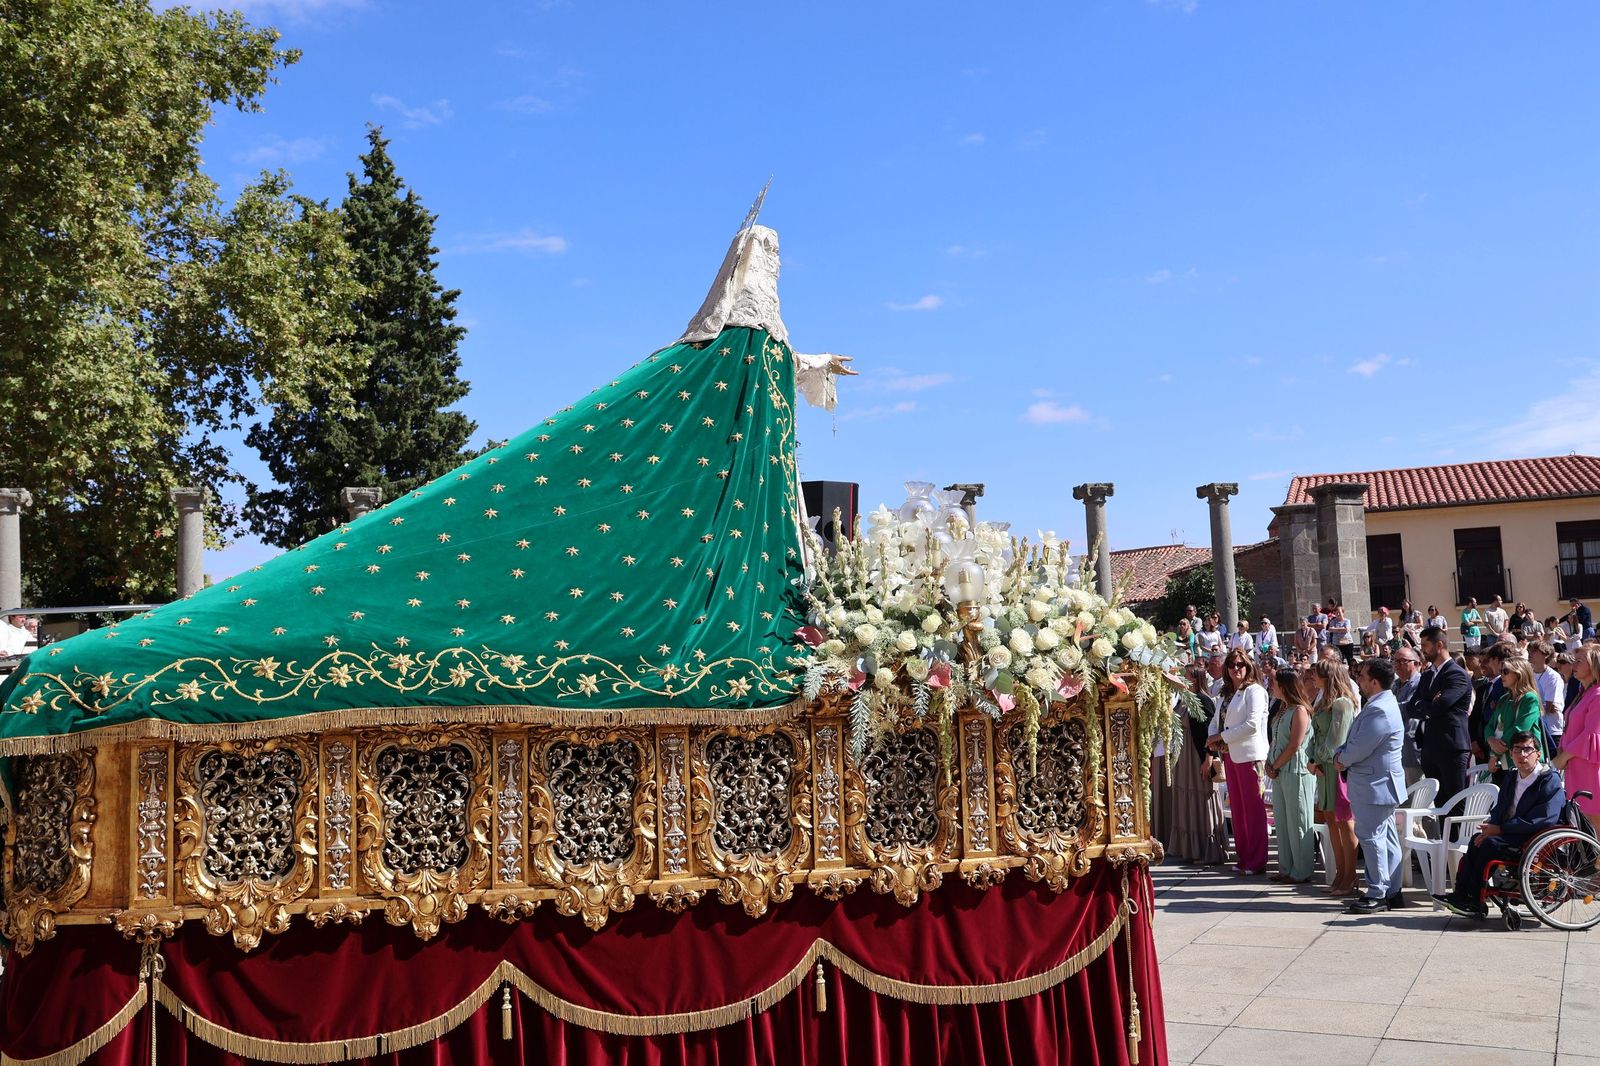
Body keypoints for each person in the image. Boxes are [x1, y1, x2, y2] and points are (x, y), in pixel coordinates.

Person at [1433, 731, 1564, 919]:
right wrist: (1491, 827)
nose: (1522, 755)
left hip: (1534, 835)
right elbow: (1500, 808)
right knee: (1477, 840)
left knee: (1490, 845)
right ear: (1511, 754)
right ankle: (1461, 894)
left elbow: (1545, 818)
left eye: (1527, 749)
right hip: (1510, 831)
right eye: (1517, 750)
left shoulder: (1548, 780)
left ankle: (1475, 899)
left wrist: (1501, 829)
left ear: (1538, 752)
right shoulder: (1511, 777)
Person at [1337, 657, 1408, 913]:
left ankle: (1377, 893)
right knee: (1386, 839)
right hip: (1376, 783)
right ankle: (1393, 891)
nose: (1359, 680)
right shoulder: (1381, 704)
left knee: (1371, 838)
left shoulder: (1380, 708)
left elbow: (1359, 747)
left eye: (1363, 677)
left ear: (1375, 682)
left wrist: (1340, 759)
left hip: (1374, 785)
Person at [1206, 649, 1270, 876]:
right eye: (1232, 665)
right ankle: (1244, 858)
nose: (1236, 668)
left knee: (1253, 810)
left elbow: (1252, 725)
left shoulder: (1254, 691)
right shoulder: (1226, 693)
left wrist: (1221, 737)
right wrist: (1213, 736)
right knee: (1239, 810)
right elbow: (1216, 721)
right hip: (1231, 755)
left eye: (1240, 664)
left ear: (1249, 666)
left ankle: (1257, 859)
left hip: (1250, 756)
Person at [1162, 665, 1228, 864]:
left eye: (1188, 677)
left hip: (1196, 756)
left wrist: (1208, 757)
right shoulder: (1185, 699)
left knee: (1201, 798)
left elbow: (1209, 731)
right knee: (1186, 798)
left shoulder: (1204, 700)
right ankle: (1189, 848)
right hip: (1184, 757)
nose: (1185, 680)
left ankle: (1205, 849)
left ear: (1198, 679)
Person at [1308, 659, 1360, 895]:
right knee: (1331, 820)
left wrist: (1316, 758)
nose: (1312, 677)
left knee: (1344, 822)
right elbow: (1315, 736)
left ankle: (1350, 876)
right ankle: (1340, 873)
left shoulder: (1342, 704)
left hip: (1336, 769)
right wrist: (1312, 759)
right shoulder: (1323, 701)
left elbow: (1336, 742)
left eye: (1317, 674)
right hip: (1323, 769)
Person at [1265, 668, 1317, 884]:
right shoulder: (1282, 709)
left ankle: (1302, 870)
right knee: (1283, 822)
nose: (1272, 686)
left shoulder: (1300, 711)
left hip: (1296, 771)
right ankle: (1285, 867)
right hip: (1279, 771)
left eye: (1275, 682)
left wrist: (1275, 765)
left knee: (1299, 821)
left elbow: (1295, 744)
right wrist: (1270, 764)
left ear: (1285, 685)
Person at [1411, 625, 1474, 802]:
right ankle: (1443, 832)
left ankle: (1460, 832)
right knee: (1439, 802)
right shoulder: (1427, 675)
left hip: (1451, 747)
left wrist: (1425, 704)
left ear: (1439, 645)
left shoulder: (1456, 674)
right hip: (1430, 746)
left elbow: (1441, 706)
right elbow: (1411, 707)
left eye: (1425, 645)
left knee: (1455, 801)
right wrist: (1428, 703)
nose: (1422, 649)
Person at [1555, 646, 1600, 817]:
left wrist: (1562, 757)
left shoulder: (1598, 694)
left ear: (1594, 665)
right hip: (1575, 764)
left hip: (1589, 767)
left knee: (1594, 821)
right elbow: (1570, 727)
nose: (1574, 665)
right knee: (1582, 819)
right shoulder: (1582, 693)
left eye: (1579, 661)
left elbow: (1590, 735)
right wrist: (1561, 750)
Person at [1485, 657, 1542, 773]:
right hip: (1502, 760)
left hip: (1523, 760)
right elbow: (1490, 726)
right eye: (1501, 671)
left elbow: (1519, 729)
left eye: (1505, 671)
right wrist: (1490, 739)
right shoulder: (1504, 698)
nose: (1502, 675)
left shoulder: (1529, 698)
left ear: (1519, 674)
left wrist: (1495, 753)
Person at [1392, 646, 1425, 786]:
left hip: (1412, 748)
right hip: (1398, 749)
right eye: (1395, 661)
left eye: (1403, 661)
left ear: (1416, 663)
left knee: (1416, 797)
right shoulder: (1396, 684)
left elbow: (1408, 708)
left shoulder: (1420, 683)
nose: (1397, 665)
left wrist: (1385, 709)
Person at [1530, 640, 1565, 752]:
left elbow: (1549, 707)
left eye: (1534, 651)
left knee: (1551, 767)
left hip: (1551, 730)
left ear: (1545, 655)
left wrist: (1528, 709)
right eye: (1529, 650)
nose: (1530, 653)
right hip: (1535, 729)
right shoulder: (1529, 674)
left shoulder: (1553, 677)